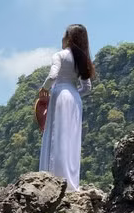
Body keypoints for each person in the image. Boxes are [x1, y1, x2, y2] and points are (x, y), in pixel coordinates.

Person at [38, 23, 96, 192]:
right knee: (70, 138)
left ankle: (52, 179)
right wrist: (73, 92)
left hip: (60, 96)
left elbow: (53, 75)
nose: (62, 38)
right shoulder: (83, 59)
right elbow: (87, 88)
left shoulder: (60, 55)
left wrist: (44, 89)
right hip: (75, 99)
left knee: (57, 136)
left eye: (64, 35)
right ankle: (71, 183)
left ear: (69, 38)